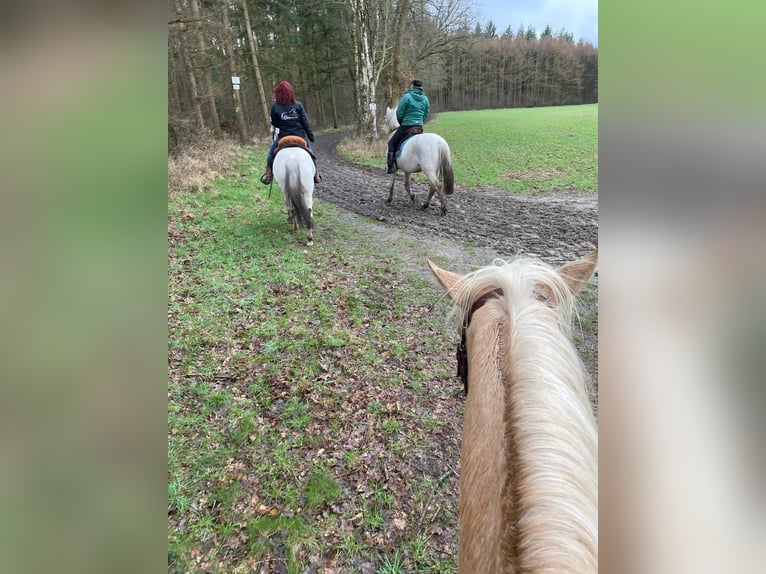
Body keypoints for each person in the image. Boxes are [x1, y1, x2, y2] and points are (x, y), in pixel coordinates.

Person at [260, 80, 320, 185]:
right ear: (290, 92)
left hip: (284, 137)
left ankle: (268, 175)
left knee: (270, 154)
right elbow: (306, 123)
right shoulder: (298, 105)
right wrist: (311, 137)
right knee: (311, 154)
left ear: (278, 94)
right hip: (299, 136)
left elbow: (275, 123)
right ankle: (316, 174)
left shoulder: (275, 107)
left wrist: (283, 122)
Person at [387, 78, 430, 174]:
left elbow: (399, 112)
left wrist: (402, 122)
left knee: (391, 143)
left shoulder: (406, 97)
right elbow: (426, 113)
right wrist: (420, 122)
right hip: (419, 127)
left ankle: (391, 166)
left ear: (412, 86)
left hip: (406, 125)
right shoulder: (425, 99)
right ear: (421, 87)